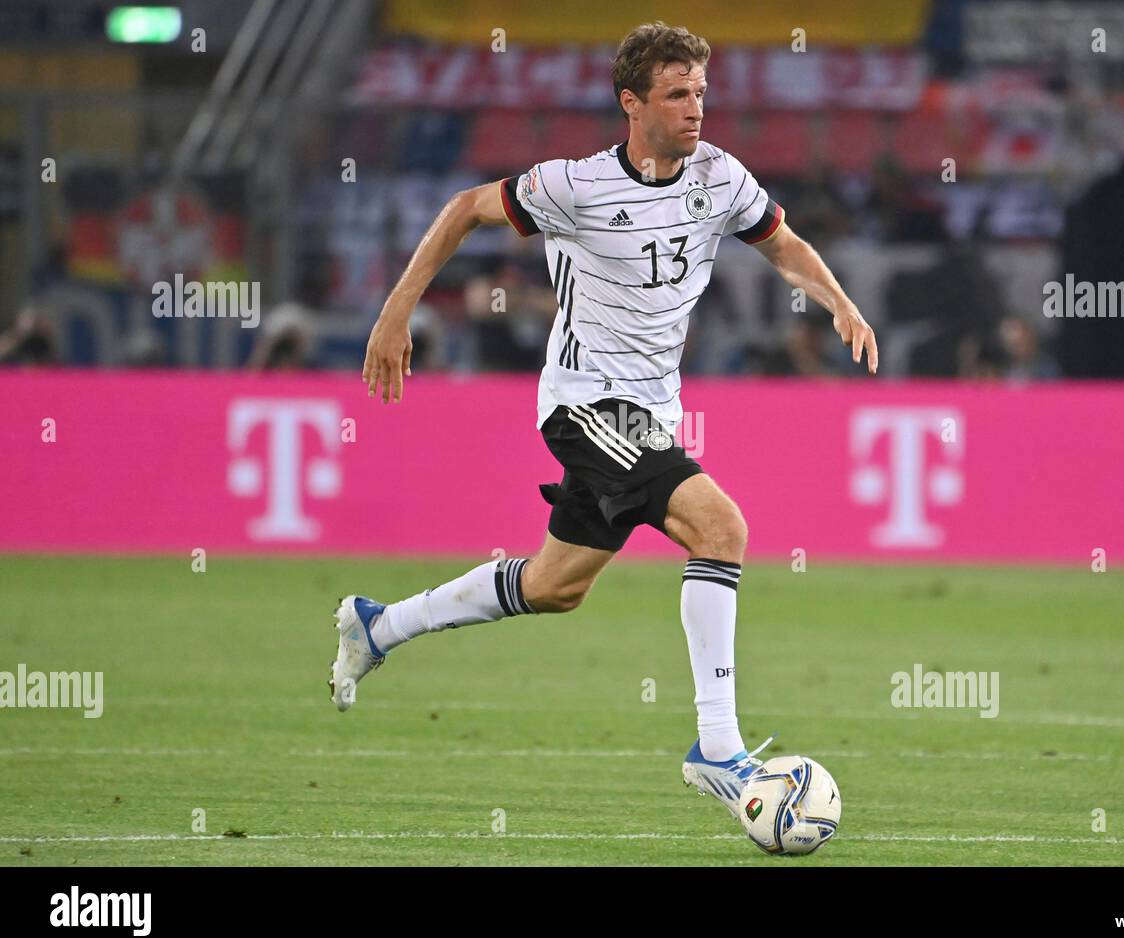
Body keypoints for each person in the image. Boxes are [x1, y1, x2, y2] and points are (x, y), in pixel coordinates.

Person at [331, 22, 878, 821]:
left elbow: (781, 242)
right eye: (677, 94)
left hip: (653, 412)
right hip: (585, 405)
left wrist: (839, 302)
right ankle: (718, 749)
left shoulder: (719, 177)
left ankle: (377, 628)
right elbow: (463, 209)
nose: (696, 108)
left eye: (700, 92)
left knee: (555, 588)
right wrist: (394, 314)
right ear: (632, 103)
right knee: (721, 528)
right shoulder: (573, 188)